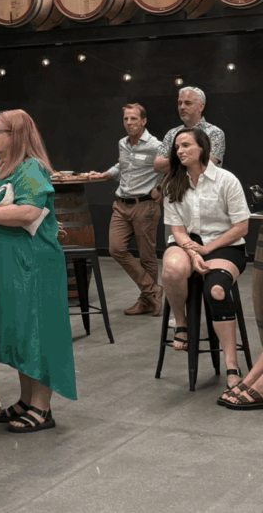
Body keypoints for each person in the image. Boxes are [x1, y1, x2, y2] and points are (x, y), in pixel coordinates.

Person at [0, 109, 76, 433]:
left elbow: (28, 211)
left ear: (16, 136)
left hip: (33, 269)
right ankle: (27, 400)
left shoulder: (31, 169)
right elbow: (6, 211)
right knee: (22, 336)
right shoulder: (5, 170)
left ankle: (42, 407)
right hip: (12, 270)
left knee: (36, 335)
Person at [159, 128, 249, 392]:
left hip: (225, 246)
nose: (180, 150)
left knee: (218, 290)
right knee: (173, 268)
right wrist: (192, 251)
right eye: (177, 147)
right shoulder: (173, 183)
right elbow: (177, 229)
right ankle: (182, 324)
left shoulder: (225, 180)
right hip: (188, 244)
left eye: (186, 145)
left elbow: (241, 227)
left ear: (202, 148)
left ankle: (232, 365)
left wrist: (207, 249)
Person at [88, 104, 166, 316]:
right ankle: (152, 290)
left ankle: (147, 301)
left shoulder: (155, 146)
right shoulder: (123, 143)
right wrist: (104, 175)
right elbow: (122, 166)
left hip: (145, 207)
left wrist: (160, 189)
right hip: (121, 205)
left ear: (143, 121)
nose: (129, 123)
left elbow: (174, 169)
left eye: (133, 119)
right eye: (125, 119)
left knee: (147, 257)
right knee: (115, 248)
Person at [153, 87, 225, 173]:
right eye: (179, 103)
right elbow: (158, 166)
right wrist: (190, 158)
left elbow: (209, 164)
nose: (182, 107)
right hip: (178, 186)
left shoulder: (214, 133)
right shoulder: (172, 133)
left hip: (206, 185)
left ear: (201, 107)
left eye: (188, 103)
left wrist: (173, 161)